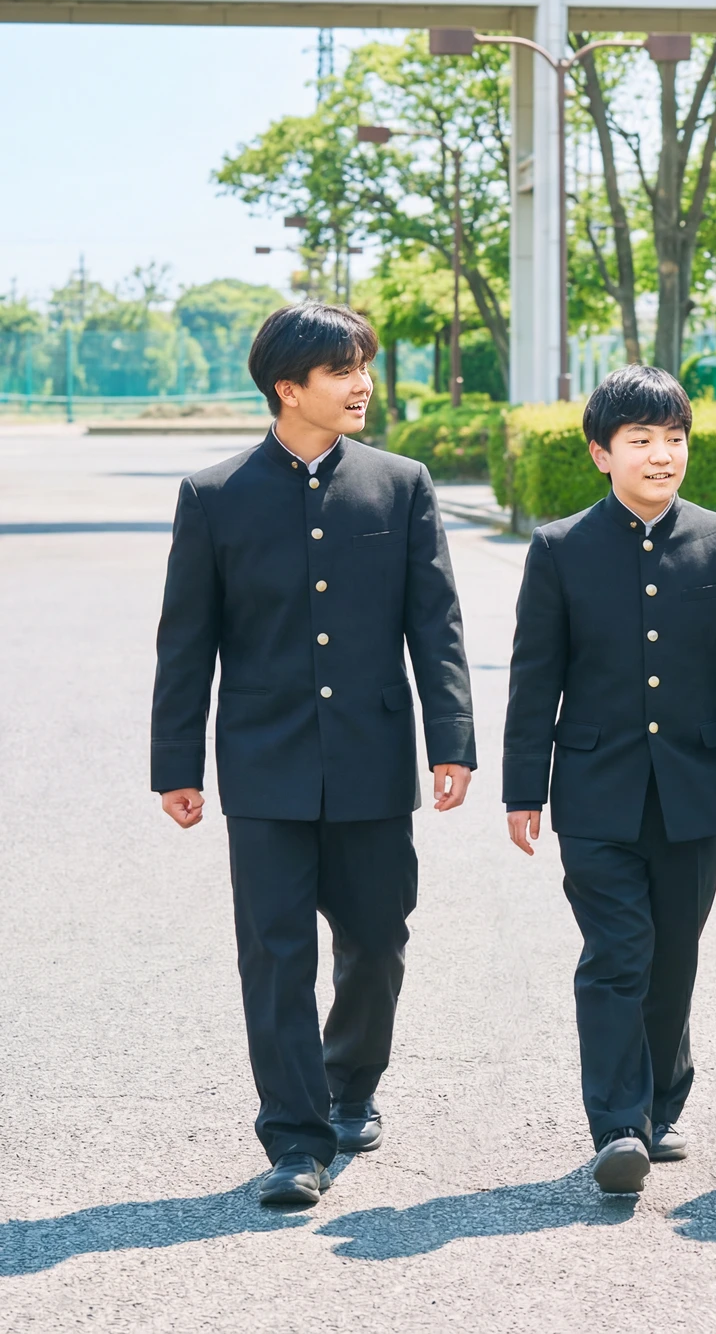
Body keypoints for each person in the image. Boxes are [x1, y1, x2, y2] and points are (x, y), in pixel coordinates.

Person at [152, 301, 476, 1207]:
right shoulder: (214, 496)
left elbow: (436, 625)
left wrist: (451, 740)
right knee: (275, 954)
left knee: (377, 941)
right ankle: (295, 1140)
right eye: (342, 371)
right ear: (288, 389)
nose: (363, 384)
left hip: (374, 758)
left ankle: (350, 1086)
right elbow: (187, 641)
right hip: (264, 763)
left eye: (364, 365)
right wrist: (176, 765)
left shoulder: (401, 485)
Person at [503, 364, 716, 1196]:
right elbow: (534, 678)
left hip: (695, 790)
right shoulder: (560, 549)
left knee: (673, 956)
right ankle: (619, 1125)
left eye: (675, 439)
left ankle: (662, 1101)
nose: (662, 455)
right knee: (618, 952)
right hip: (595, 791)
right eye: (641, 440)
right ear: (601, 453)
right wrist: (523, 791)